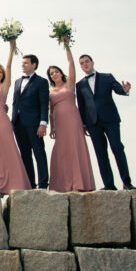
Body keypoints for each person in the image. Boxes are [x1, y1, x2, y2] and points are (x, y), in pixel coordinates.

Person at [76, 54, 136, 190]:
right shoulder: (79, 85)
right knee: (100, 153)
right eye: (82, 63)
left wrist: (125, 90)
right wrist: (84, 124)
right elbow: (81, 105)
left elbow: (118, 89)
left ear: (92, 62)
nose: (85, 64)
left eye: (87, 61)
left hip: (110, 119)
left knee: (117, 148)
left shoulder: (107, 77)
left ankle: (127, 183)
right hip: (93, 123)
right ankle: (109, 185)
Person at [47, 38, 95, 192]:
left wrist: (66, 44)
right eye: (51, 74)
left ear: (61, 73)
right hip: (60, 122)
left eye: (56, 72)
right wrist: (52, 128)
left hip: (73, 119)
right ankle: (63, 184)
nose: (54, 74)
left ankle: (80, 183)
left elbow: (71, 64)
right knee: (61, 151)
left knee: (76, 147)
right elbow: (51, 111)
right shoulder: (51, 92)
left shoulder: (70, 84)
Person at [0, 42, 32, 193]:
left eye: (0, 72)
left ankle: (18, 183)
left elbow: (9, 67)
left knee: (9, 149)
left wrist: (11, 49)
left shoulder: (5, 86)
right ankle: (1, 184)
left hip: (3, 121)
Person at [11, 51, 50, 188]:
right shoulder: (17, 82)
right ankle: (30, 184)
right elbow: (15, 102)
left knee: (39, 152)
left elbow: (44, 104)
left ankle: (43, 183)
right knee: (25, 154)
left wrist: (43, 123)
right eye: (22, 63)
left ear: (34, 65)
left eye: (26, 63)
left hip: (34, 123)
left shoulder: (42, 82)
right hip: (18, 123)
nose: (23, 65)